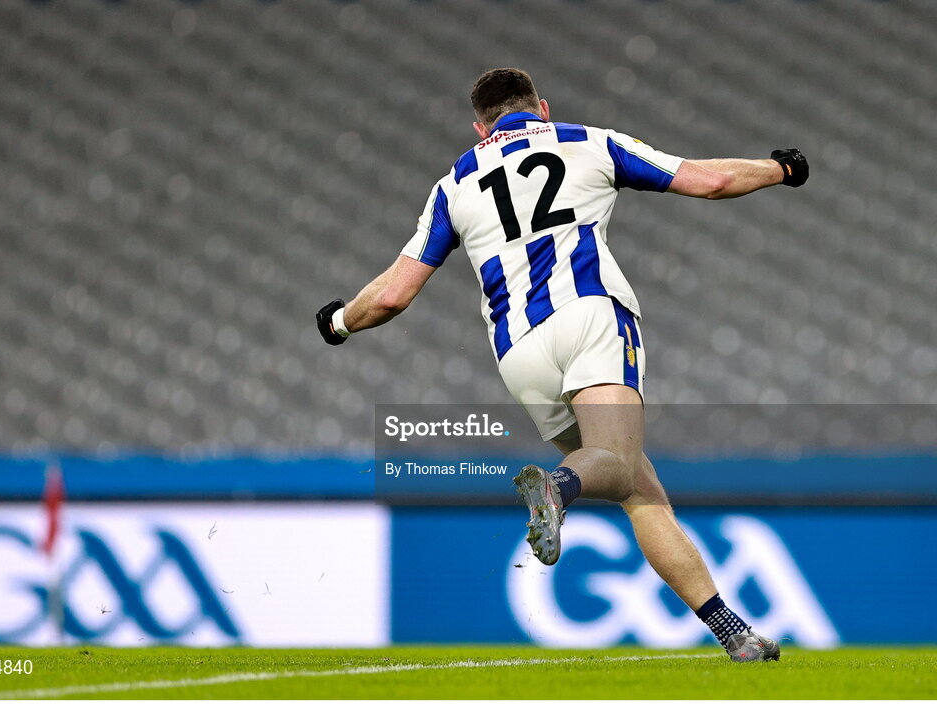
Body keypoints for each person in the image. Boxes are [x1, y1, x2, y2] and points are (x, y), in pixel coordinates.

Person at [316, 67, 807, 662]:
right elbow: (712, 181)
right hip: (589, 318)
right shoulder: (588, 141)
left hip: (518, 353)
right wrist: (781, 168)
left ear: (480, 127)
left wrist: (339, 321)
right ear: (540, 107)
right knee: (616, 467)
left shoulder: (454, 185)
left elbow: (392, 295)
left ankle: (733, 631)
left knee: (637, 488)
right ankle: (556, 487)